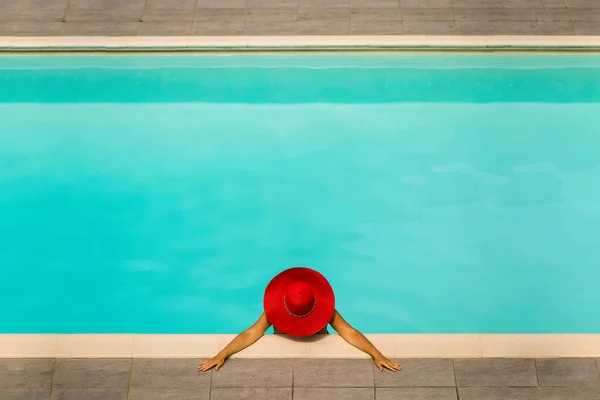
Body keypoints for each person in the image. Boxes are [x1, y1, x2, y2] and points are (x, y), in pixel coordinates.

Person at [198, 267, 402, 372]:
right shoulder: (277, 310)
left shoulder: (320, 308)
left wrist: (377, 354)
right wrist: (222, 354)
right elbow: (250, 333)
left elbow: (350, 333)